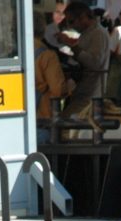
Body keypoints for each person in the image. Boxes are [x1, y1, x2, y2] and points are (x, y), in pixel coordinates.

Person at [58, 1, 111, 117]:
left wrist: (73, 47)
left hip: (90, 95)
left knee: (66, 123)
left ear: (83, 17)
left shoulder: (98, 33)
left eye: (72, 21)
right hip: (82, 92)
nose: (70, 26)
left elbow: (95, 62)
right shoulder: (87, 33)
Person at [34, 9, 72, 142]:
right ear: (42, 29)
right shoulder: (47, 56)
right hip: (41, 122)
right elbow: (58, 90)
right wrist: (70, 85)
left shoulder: (14, 55)